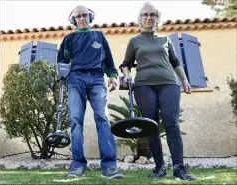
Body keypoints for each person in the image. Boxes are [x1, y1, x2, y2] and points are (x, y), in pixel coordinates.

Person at [119, 2, 196, 181]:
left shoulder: (165, 40)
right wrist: (126, 75)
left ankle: (179, 168)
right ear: (140, 19)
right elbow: (126, 64)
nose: (148, 17)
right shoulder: (134, 41)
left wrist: (185, 80)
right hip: (143, 86)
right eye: (145, 15)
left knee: (172, 124)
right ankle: (159, 167)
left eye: (152, 15)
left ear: (157, 18)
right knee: (151, 126)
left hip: (168, 83)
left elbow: (176, 62)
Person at [57, 5, 124, 179]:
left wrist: (113, 75)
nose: (81, 19)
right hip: (75, 79)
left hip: (96, 79)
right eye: (78, 16)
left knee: (103, 118)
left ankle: (109, 166)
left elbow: (109, 61)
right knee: (75, 121)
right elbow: (61, 61)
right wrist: (61, 73)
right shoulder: (68, 39)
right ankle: (78, 165)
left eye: (85, 15)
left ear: (90, 17)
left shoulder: (99, 36)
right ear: (74, 20)